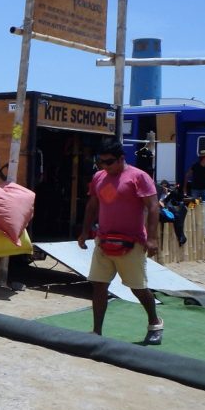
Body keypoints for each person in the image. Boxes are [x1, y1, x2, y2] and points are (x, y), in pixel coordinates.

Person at [77, 139, 164, 345]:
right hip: (104, 240)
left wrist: (152, 238)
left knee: (138, 288)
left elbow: (153, 207)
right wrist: (84, 232)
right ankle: (96, 332)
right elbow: (92, 205)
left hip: (132, 242)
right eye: (101, 162)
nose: (105, 166)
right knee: (98, 285)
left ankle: (155, 323)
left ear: (121, 159)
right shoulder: (99, 177)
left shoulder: (139, 177)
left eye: (109, 162)